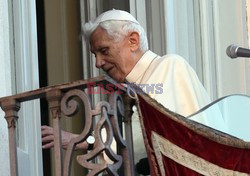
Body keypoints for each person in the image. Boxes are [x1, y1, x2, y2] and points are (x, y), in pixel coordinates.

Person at [42, 9, 211, 174]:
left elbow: (149, 132)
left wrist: (86, 141)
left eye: (104, 51)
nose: (98, 63)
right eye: (95, 55)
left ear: (133, 41)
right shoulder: (124, 92)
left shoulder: (170, 66)